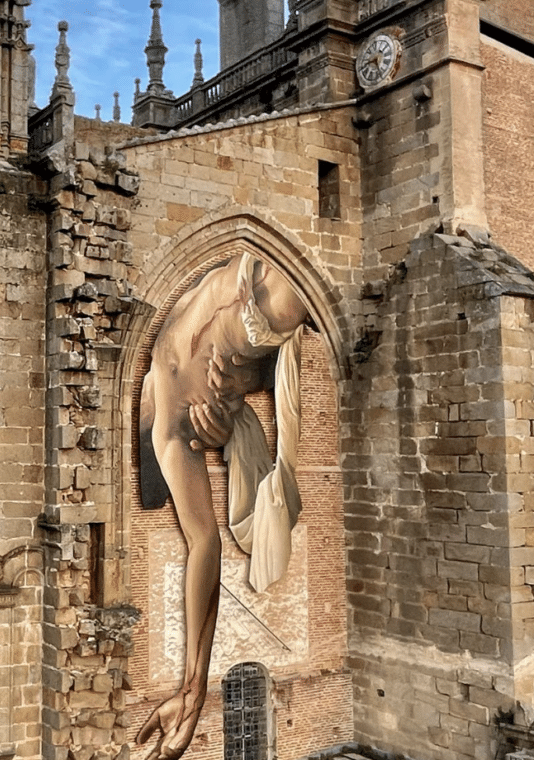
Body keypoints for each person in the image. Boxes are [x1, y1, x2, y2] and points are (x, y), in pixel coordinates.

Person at [136, 253, 309, 760]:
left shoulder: (169, 401)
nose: (200, 444)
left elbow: (203, 542)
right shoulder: (175, 433)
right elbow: (204, 543)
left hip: (240, 308)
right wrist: (193, 688)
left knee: (291, 291)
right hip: (246, 329)